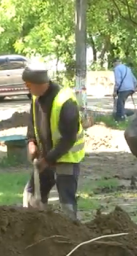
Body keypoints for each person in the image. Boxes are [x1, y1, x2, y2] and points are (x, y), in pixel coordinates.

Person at [22, 64, 85, 220]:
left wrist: (48, 160)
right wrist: (31, 142)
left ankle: (70, 235)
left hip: (66, 158)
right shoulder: (36, 97)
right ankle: (34, 230)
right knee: (31, 196)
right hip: (46, 157)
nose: (26, 88)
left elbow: (69, 138)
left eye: (28, 85)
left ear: (36, 84)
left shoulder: (65, 102)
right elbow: (32, 123)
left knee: (66, 204)